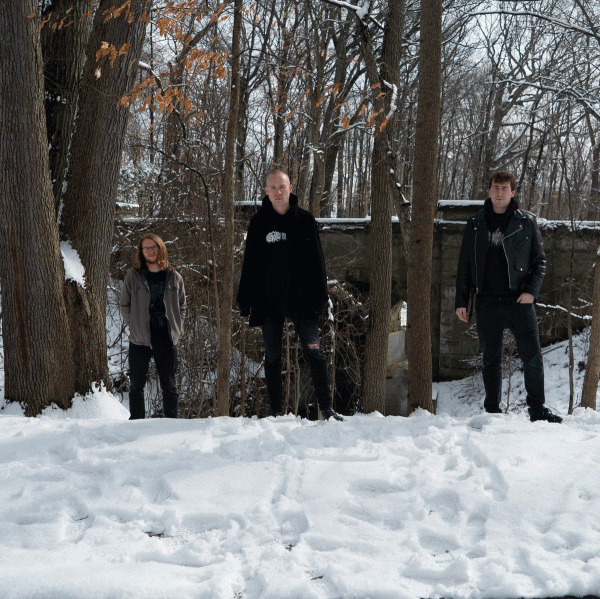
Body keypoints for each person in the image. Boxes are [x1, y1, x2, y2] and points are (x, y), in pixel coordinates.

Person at [455, 171, 562, 423]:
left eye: (505, 188)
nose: (500, 192)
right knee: (491, 359)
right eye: (496, 187)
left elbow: (539, 262)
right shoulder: (475, 223)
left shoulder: (526, 222)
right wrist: (462, 301)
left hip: (518, 301)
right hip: (486, 301)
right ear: (489, 191)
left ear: (513, 192)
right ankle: (492, 410)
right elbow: (464, 265)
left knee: (532, 356)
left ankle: (537, 409)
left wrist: (531, 292)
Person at [237, 170, 343, 421]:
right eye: (272, 188)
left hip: (303, 298)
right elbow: (250, 264)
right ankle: (276, 413)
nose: (278, 192)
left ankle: (327, 409)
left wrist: (321, 298)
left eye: (282, 187)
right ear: (266, 191)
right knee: (273, 356)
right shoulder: (259, 222)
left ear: (291, 188)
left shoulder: (305, 220)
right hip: (268, 299)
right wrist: (245, 300)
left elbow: (318, 262)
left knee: (314, 352)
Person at [120, 234, 186, 419]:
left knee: (169, 386)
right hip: (140, 339)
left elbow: (182, 306)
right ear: (141, 252)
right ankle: (136, 423)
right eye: (146, 248)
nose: (150, 251)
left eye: (154, 247)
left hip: (166, 337)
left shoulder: (174, 276)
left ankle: (171, 424)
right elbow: (124, 305)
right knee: (136, 386)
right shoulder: (133, 276)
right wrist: (135, 326)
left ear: (160, 248)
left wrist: (177, 328)